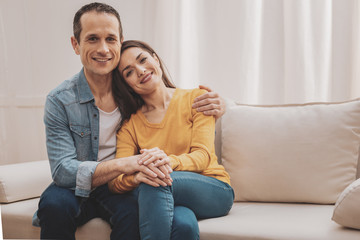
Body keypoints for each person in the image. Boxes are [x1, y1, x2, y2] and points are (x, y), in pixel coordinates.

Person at [33, 2, 227, 240]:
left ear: (120, 41)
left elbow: (174, 104)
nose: (103, 49)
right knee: (54, 205)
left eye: (110, 39)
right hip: (82, 185)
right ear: (76, 44)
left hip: (133, 185)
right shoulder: (61, 100)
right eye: (92, 39)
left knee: (137, 207)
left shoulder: (133, 94)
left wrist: (219, 104)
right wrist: (130, 166)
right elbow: (63, 170)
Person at [109, 40, 234, 240]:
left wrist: (166, 162)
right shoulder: (129, 125)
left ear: (156, 59)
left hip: (213, 189)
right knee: (184, 226)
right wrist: (136, 177)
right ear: (126, 85)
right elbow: (116, 181)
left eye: (143, 60)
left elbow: (202, 156)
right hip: (169, 196)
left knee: (155, 180)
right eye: (129, 72)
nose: (141, 70)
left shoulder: (198, 99)